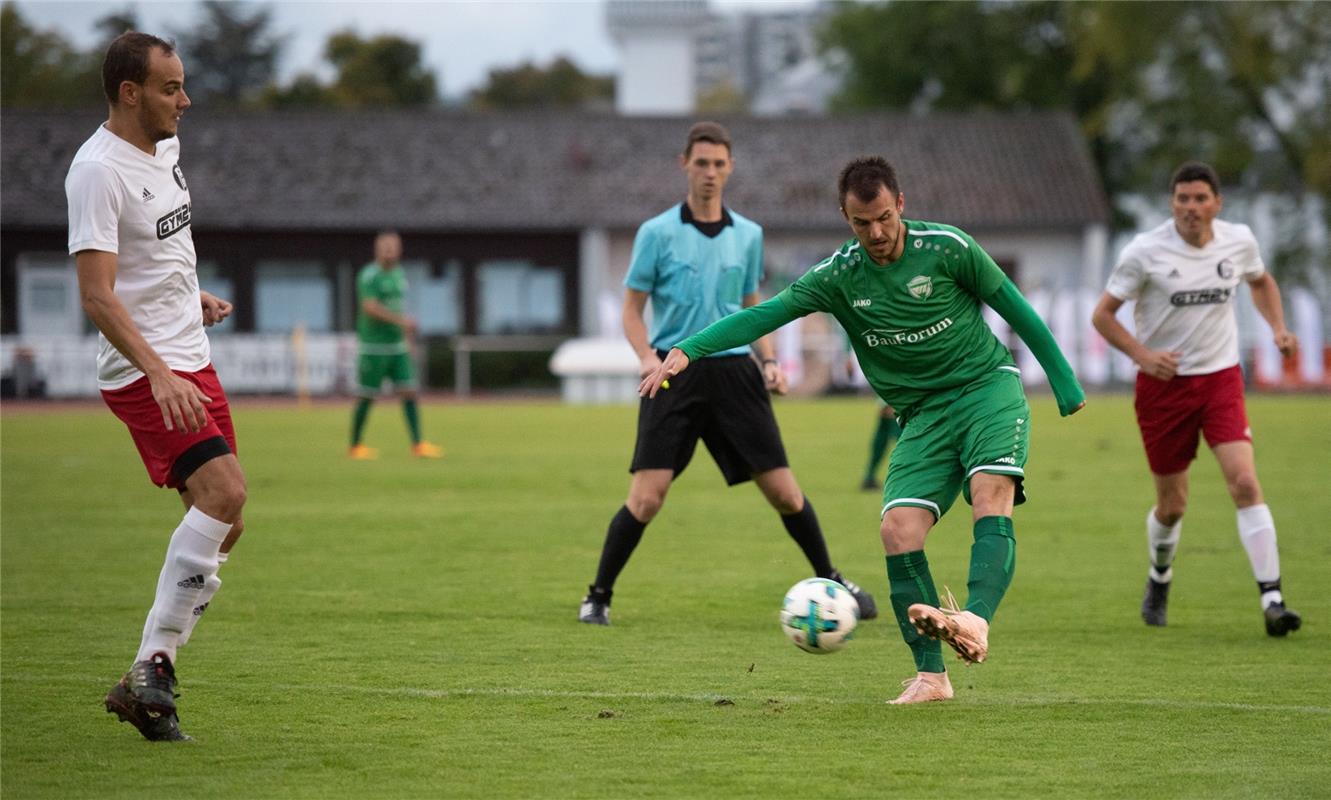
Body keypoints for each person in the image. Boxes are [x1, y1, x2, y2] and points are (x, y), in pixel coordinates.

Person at [641, 156, 1086, 704]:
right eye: (860, 223)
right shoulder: (839, 276)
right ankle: (931, 678)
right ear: (845, 218)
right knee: (897, 530)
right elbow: (767, 314)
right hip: (921, 416)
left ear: (899, 205)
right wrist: (689, 348)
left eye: (882, 218)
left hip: (986, 391)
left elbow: (1014, 308)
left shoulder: (949, 248)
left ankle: (975, 619)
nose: (875, 233)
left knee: (988, 493)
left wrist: (1064, 382)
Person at [578, 122, 877, 627]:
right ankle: (598, 597)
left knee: (784, 491)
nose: (710, 173)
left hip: (736, 372)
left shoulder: (749, 235)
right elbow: (632, 311)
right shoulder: (656, 233)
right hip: (673, 371)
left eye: (719, 164)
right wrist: (647, 357)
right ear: (685, 165)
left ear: (730, 168)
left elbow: (752, 307)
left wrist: (770, 360)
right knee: (647, 497)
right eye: (701, 163)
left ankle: (832, 579)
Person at [68, 31, 246, 741]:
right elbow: (97, 294)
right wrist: (158, 370)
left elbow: (165, 246)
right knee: (224, 492)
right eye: (171, 87)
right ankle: (154, 664)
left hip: (189, 352)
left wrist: (188, 295)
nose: (185, 99)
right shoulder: (96, 173)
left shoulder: (163, 150)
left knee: (229, 520)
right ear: (129, 92)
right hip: (147, 372)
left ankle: (144, 679)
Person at [1091, 161, 1301, 637]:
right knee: (1173, 506)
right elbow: (1103, 316)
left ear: (1216, 204)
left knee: (1245, 483)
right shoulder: (1144, 252)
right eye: (1182, 199)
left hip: (1221, 380)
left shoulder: (1238, 240)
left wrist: (1278, 329)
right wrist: (1143, 356)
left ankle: (1273, 598)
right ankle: (1160, 576)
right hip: (1163, 390)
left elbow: (1261, 281)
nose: (1191, 207)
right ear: (1172, 203)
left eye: (1200, 198)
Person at [348, 230, 442, 460]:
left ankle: (418, 444)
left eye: (394, 246)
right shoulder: (370, 276)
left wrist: (407, 340)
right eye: (385, 246)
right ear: (377, 249)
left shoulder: (399, 274)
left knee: (409, 392)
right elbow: (369, 307)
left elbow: (399, 310)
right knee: (367, 395)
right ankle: (355, 445)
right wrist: (402, 322)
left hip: (397, 345)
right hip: (374, 346)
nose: (390, 250)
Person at [861, 401, 900, 491]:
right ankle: (869, 477)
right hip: (893, 402)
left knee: (882, 439)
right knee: (905, 441)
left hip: (888, 401)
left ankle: (869, 477)